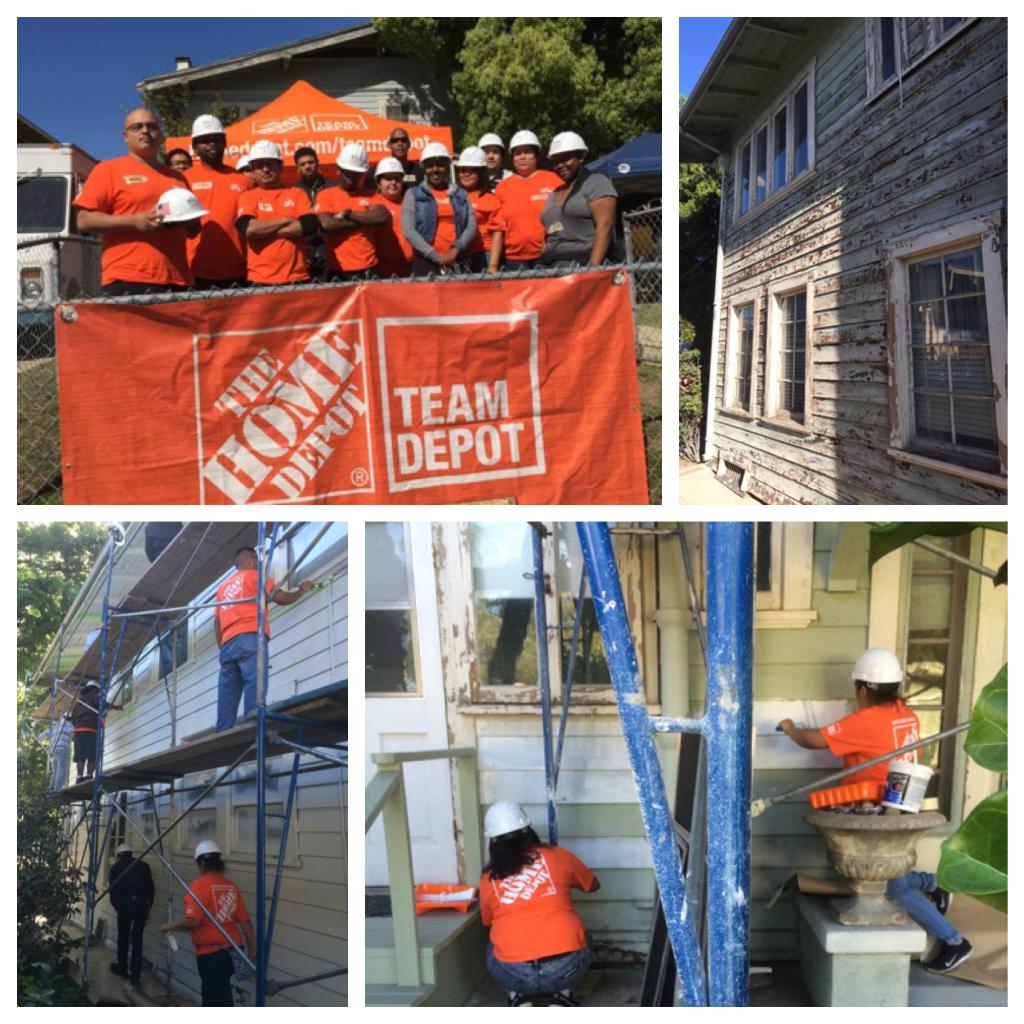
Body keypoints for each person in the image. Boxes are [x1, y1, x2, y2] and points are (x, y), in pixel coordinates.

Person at [778, 647, 973, 975]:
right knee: (890, 871)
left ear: (864, 689)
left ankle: (954, 941)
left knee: (892, 885)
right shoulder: (904, 713)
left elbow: (814, 740)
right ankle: (934, 883)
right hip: (902, 801)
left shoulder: (866, 720)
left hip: (879, 808)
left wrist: (790, 727)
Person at [480, 802, 599, 1006]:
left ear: (493, 842)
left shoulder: (488, 879)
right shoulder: (559, 856)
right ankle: (563, 994)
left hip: (513, 973)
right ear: (529, 830)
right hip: (566, 969)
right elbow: (593, 885)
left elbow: (488, 920)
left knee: (494, 943)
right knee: (582, 935)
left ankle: (517, 996)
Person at [73, 108, 198, 295]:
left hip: (178, 279)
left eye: (152, 127)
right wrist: (134, 221)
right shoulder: (108, 169)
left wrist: (189, 221)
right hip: (128, 279)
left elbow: (194, 229)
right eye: (137, 127)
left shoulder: (177, 178)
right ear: (125, 136)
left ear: (161, 135)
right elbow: (84, 221)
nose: (145, 131)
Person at [213, 547, 313, 732]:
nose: (259, 565)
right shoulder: (255, 576)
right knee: (254, 683)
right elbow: (281, 598)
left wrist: (224, 646)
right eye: (257, 561)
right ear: (251, 560)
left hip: (227, 644)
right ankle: (252, 728)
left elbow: (217, 622)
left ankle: (222, 731)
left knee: (227, 692)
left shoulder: (222, 589)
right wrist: (302, 590)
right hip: (250, 636)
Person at [161, 841, 256, 1007]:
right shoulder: (231, 886)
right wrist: (252, 950)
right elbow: (245, 922)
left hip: (212, 955)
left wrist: (170, 927)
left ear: (201, 863)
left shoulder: (198, 886)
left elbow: (195, 922)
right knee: (223, 993)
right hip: (234, 953)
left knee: (213, 999)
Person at [234, 141, 318, 286]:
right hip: (260, 279)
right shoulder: (247, 196)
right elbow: (249, 229)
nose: (265, 169)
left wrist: (264, 230)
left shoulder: (296, 193)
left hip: (297, 277)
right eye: (260, 165)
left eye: (270, 164)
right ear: (253, 170)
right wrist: (286, 220)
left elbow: (308, 226)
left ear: (280, 167)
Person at [182, 115, 250, 290]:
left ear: (225, 142)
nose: (212, 144)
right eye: (204, 140)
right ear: (195, 147)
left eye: (216, 139)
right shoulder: (184, 180)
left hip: (239, 271)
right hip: (195, 271)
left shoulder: (243, 180)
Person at [540, 132, 619, 268]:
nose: (560, 165)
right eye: (555, 161)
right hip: (551, 265)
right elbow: (548, 234)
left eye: (565, 159)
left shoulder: (596, 182)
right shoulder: (554, 193)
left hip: (582, 264)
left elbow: (605, 225)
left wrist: (593, 267)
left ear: (581, 156)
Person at [315, 142, 388, 282]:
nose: (351, 177)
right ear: (338, 169)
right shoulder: (326, 195)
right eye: (347, 172)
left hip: (369, 267)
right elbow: (327, 224)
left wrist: (347, 215)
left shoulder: (371, 194)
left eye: (356, 174)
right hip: (337, 269)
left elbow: (380, 217)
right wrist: (365, 219)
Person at [401, 142, 476, 276]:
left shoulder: (460, 194)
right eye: (430, 165)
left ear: (447, 167)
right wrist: (436, 256)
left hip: (457, 259)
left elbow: (471, 226)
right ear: (424, 168)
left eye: (440, 165)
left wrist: (455, 251)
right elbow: (409, 231)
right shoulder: (412, 194)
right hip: (425, 261)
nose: (435, 170)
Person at [495, 130, 562, 270]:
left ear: (536, 155)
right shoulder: (502, 187)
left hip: (549, 255)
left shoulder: (554, 180)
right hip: (514, 259)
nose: (522, 157)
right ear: (512, 157)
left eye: (527, 152)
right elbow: (498, 228)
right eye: (518, 153)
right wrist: (493, 265)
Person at [108, 843, 155, 987]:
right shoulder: (144, 866)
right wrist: (147, 907)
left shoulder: (116, 868)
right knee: (137, 940)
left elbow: (113, 892)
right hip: (141, 906)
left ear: (118, 856)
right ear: (130, 853)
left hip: (124, 906)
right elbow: (151, 889)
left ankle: (122, 968)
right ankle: (135, 976)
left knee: (123, 936)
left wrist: (118, 907)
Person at [455, 146, 505, 274]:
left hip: (483, 257)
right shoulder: (453, 196)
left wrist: (493, 266)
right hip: (458, 257)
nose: (466, 174)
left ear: (481, 173)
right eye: (462, 170)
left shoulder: (489, 199)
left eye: (472, 170)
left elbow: (498, 233)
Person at [369, 157, 414, 278]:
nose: (393, 182)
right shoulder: (371, 204)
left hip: (411, 270)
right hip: (382, 273)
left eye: (397, 179)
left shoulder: (410, 203)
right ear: (379, 183)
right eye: (388, 178)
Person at [72, 680, 124, 782]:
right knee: (93, 755)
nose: (98, 692)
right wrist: (115, 707)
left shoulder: (79, 702)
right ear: (94, 689)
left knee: (80, 756)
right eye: (98, 690)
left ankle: (79, 777)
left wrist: (78, 726)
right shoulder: (93, 695)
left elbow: (73, 718)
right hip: (90, 729)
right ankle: (89, 776)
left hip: (78, 730)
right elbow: (102, 704)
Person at [294, 147, 332, 281]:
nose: (307, 167)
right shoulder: (293, 191)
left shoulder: (332, 187)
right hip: (305, 252)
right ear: (297, 168)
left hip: (330, 251)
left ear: (317, 163)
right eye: (303, 164)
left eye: (310, 162)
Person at [46, 713, 73, 792]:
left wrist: (38, 740)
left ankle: (52, 787)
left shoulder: (55, 727)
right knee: (62, 769)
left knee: (56, 770)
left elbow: (43, 734)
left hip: (53, 750)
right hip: (62, 749)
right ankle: (57, 788)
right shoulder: (69, 725)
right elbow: (72, 732)